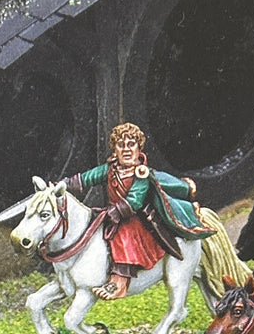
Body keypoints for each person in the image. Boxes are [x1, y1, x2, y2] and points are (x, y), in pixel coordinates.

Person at [61, 122, 214, 300]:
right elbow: (88, 178)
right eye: (121, 145)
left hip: (134, 218)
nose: (126, 149)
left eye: (131, 144)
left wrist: (116, 211)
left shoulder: (141, 174)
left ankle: (119, 282)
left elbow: (135, 200)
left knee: (125, 235)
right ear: (114, 150)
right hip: (112, 215)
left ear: (138, 148)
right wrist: (65, 184)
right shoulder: (110, 169)